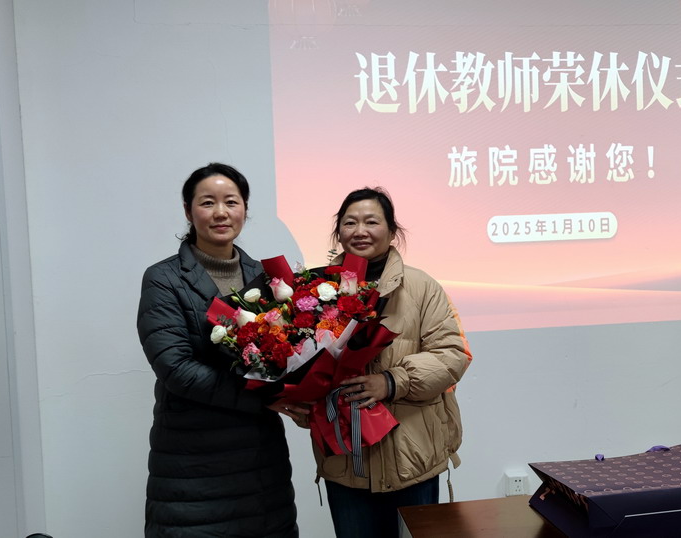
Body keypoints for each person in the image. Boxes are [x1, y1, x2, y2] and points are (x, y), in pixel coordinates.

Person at [137, 163, 305, 537]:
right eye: (207, 202)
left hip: (260, 460)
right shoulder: (164, 279)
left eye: (231, 201)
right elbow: (176, 369)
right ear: (188, 211)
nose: (220, 212)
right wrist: (264, 397)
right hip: (193, 459)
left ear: (245, 208)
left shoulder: (266, 277)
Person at [316, 187, 472, 538]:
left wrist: (391, 381)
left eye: (371, 222)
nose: (360, 231)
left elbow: (452, 355)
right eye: (350, 223)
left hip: (412, 456)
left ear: (391, 231)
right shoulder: (317, 291)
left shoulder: (421, 286)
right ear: (338, 232)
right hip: (347, 459)